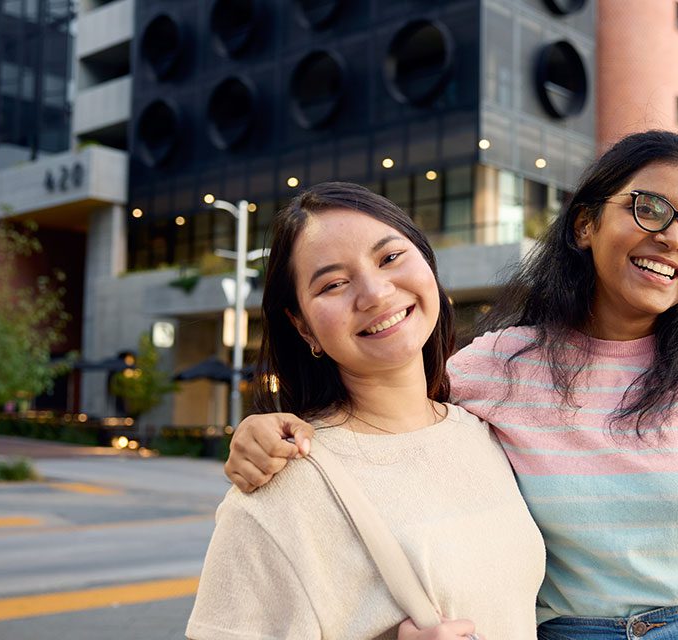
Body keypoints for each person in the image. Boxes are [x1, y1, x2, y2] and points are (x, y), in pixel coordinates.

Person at [224, 131, 678, 639]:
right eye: (650, 208)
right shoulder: (497, 366)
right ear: (585, 224)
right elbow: (391, 410)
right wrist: (270, 427)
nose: (672, 238)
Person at [185, 182, 545, 640]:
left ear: (426, 264)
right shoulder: (282, 484)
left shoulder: (489, 431)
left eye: (390, 258)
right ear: (303, 326)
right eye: (334, 284)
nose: (374, 293)